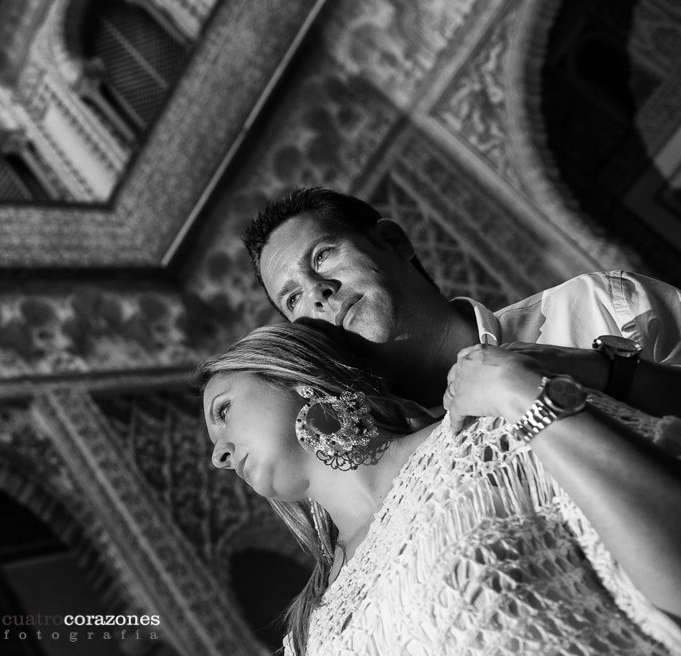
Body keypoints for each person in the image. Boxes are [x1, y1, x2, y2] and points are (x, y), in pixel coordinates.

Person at [198, 322, 681, 655]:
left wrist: (522, 394)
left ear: (293, 376)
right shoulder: (311, 630)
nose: (219, 455)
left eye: (223, 411)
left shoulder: (486, 434)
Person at [240, 186, 681, 424]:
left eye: (322, 256)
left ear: (393, 242)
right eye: (293, 297)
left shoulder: (599, 305)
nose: (317, 291)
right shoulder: (391, 466)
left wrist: (600, 372)